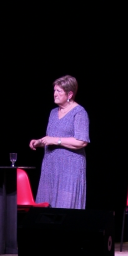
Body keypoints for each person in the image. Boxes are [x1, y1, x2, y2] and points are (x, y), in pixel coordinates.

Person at [29, 75, 89, 209]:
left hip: (69, 170)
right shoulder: (53, 113)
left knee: (65, 211)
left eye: (59, 91)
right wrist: (41, 142)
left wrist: (55, 140)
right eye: (54, 90)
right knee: (45, 211)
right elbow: (53, 137)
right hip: (50, 168)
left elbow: (82, 141)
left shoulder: (79, 113)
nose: (54, 94)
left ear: (70, 94)